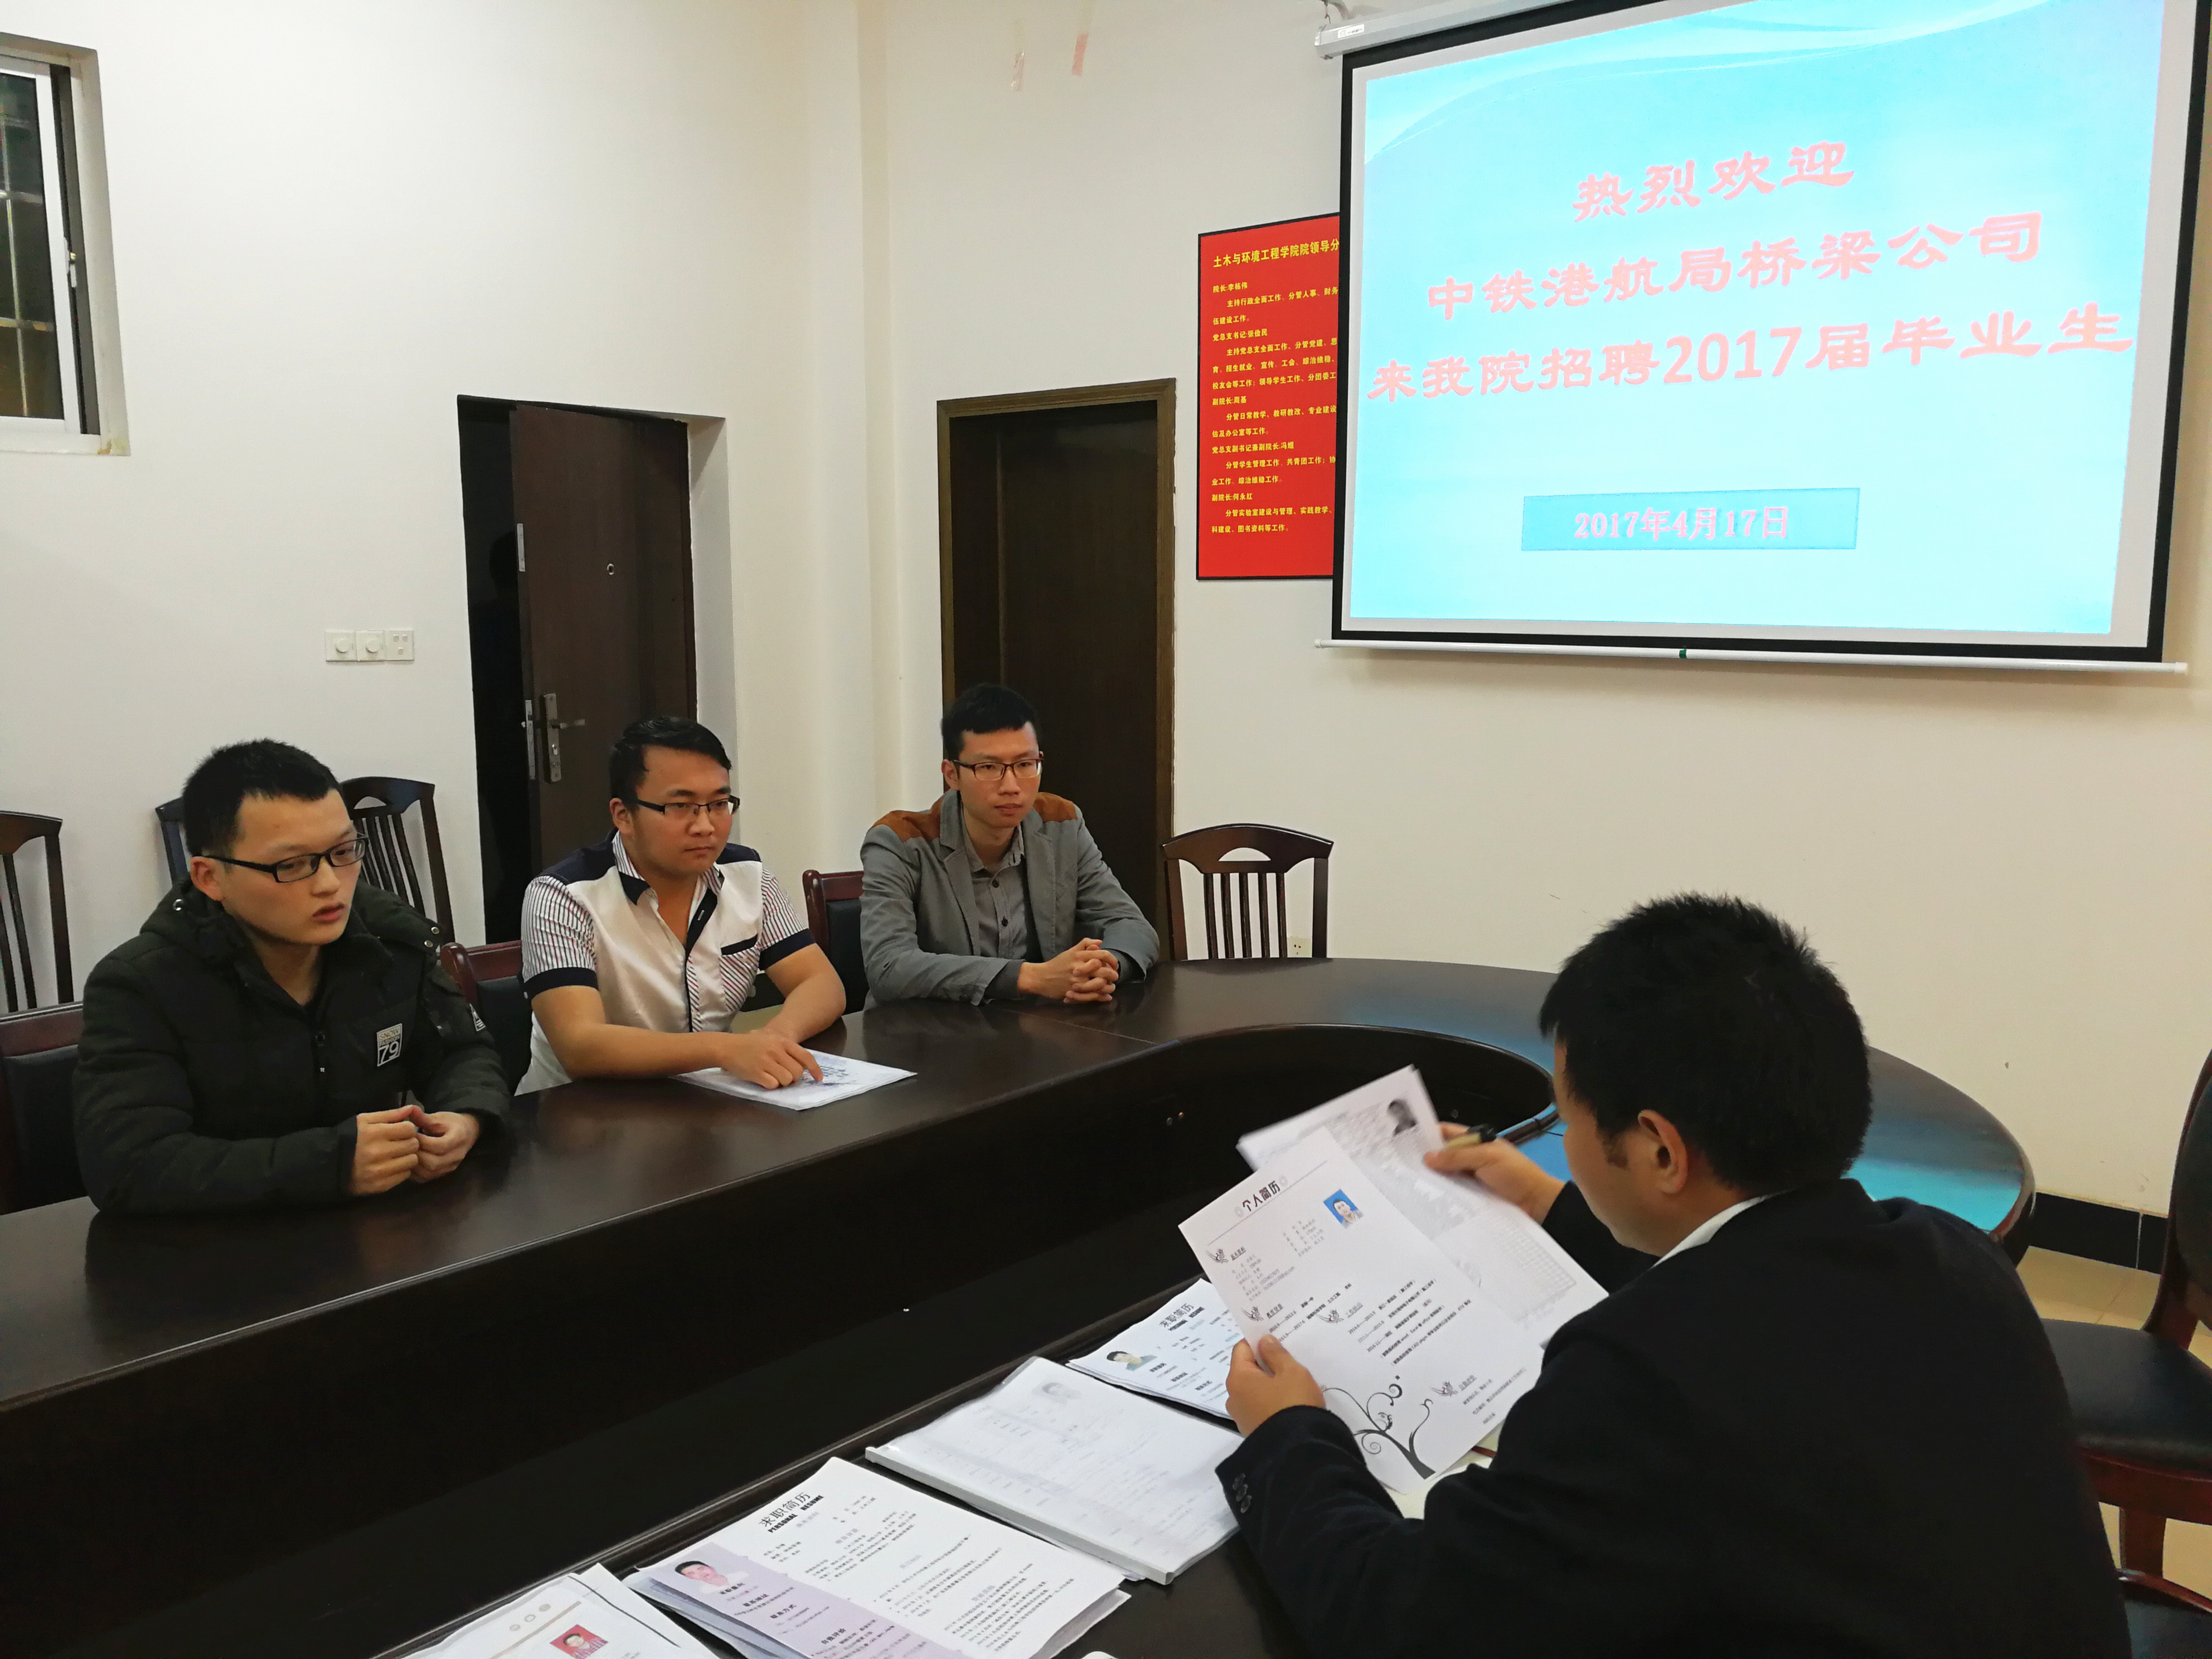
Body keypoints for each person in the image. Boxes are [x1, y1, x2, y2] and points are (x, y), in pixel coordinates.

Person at [1217, 895, 2126, 1658]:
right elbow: (1753, 1294)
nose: (1564, 1141)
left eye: (1567, 1115)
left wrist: (1289, 1436)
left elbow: (1402, 1623)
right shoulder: (1952, 1255)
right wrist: (1549, 1204)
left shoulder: (1636, 1378)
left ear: (1658, 1149)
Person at [74, 741, 507, 1212]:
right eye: (291, 865)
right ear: (209, 877)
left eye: (343, 851)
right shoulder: (139, 986)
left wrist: (466, 1118)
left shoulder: (390, 941)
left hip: (381, 1233)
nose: (329, 884)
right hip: (218, 1246)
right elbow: (130, 1166)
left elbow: (463, 1051)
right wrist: (332, 1164)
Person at [518, 716, 845, 1092]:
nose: (705, 826)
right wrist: (724, 1049)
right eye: (680, 806)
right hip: (581, 1111)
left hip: (707, 1102)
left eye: (719, 804)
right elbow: (580, 1045)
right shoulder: (563, 896)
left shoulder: (748, 876)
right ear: (624, 815)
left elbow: (821, 982)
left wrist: (776, 1039)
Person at [859, 684, 1157, 1005]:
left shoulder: (1062, 825)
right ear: (952, 775)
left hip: (1035, 1028)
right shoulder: (899, 842)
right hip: (926, 1031)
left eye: (1025, 764)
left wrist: (1104, 968)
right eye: (989, 768)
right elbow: (888, 967)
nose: (1011, 786)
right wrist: (1030, 978)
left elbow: (1131, 925)